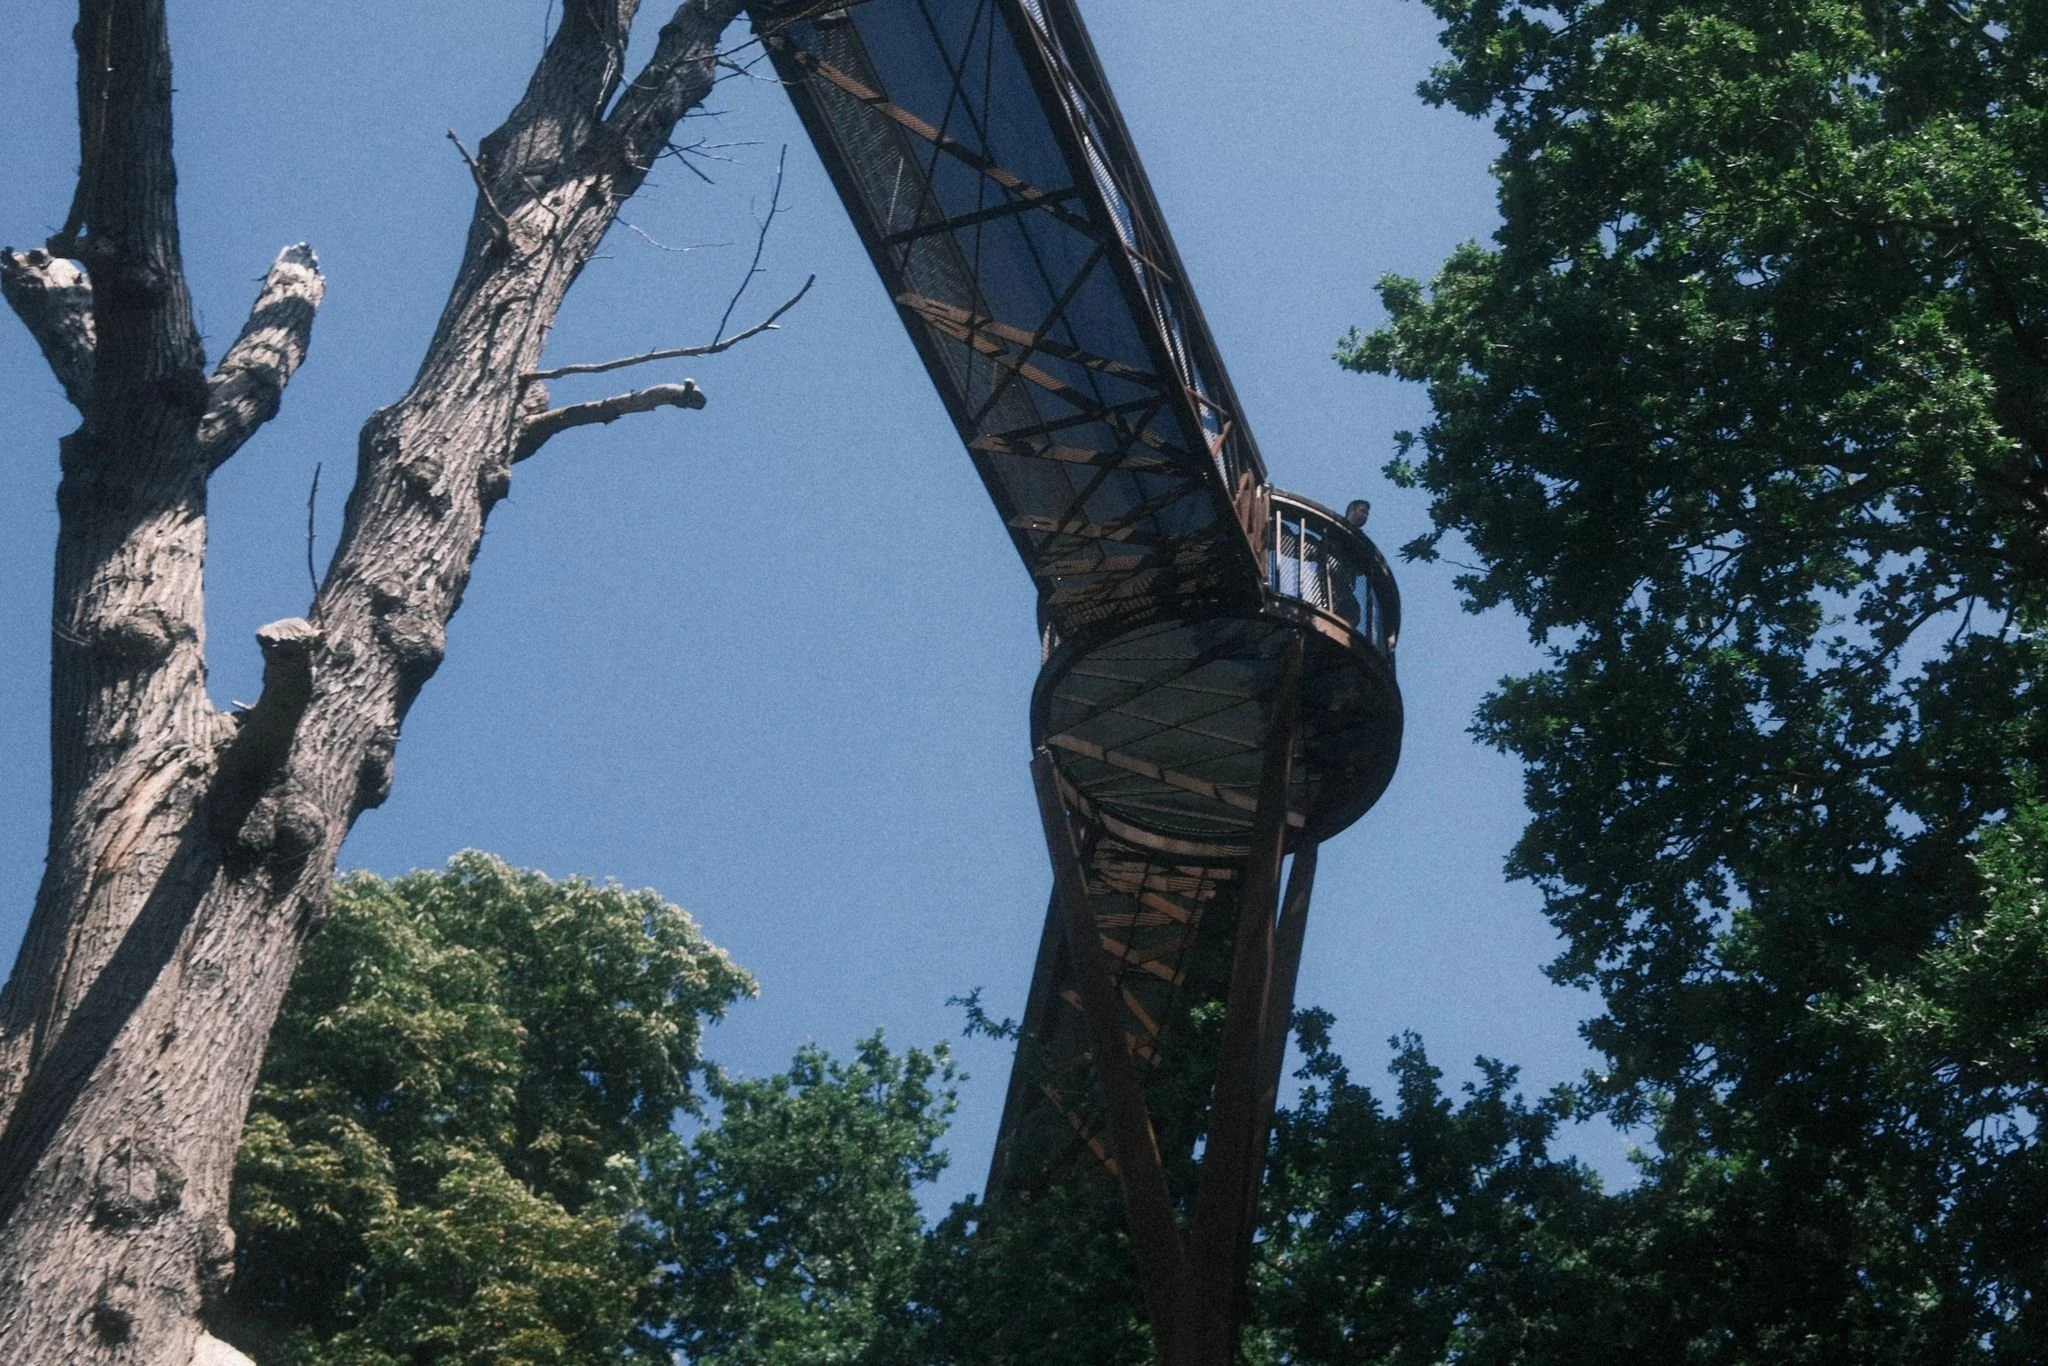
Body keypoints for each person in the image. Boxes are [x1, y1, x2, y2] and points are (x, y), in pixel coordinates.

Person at [1330, 499, 1370, 626]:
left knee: (1351, 611)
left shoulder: (1362, 540)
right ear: (1352, 510)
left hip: (1347, 582)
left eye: (1367, 514)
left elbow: (1360, 571)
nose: (1365, 516)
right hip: (1332, 575)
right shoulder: (1337, 527)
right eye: (1362, 511)